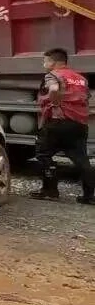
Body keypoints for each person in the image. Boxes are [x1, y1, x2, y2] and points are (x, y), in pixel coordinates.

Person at [30, 48, 93, 204]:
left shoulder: (53, 75)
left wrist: (56, 102)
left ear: (53, 62)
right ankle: (89, 196)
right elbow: (86, 97)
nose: (44, 64)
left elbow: (54, 89)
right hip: (79, 124)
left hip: (58, 121)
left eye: (45, 61)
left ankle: (50, 190)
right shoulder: (81, 79)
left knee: (43, 155)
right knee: (81, 159)